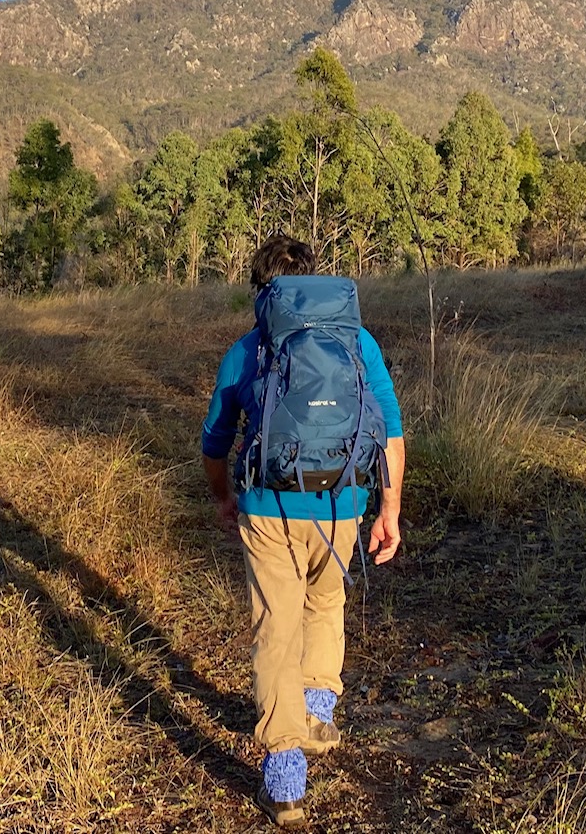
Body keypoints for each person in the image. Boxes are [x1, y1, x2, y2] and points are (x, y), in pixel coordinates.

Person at [201, 235, 406, 828]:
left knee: (275, 625)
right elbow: (389, 428)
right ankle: (318, 708)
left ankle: (285, 775)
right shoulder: (357, 342)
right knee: (326, 600)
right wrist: (388, 507)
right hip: (343, 500)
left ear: (259, 291)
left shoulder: (247, 350)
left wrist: (223, 495)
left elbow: (215, 441)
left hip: (269, 507)